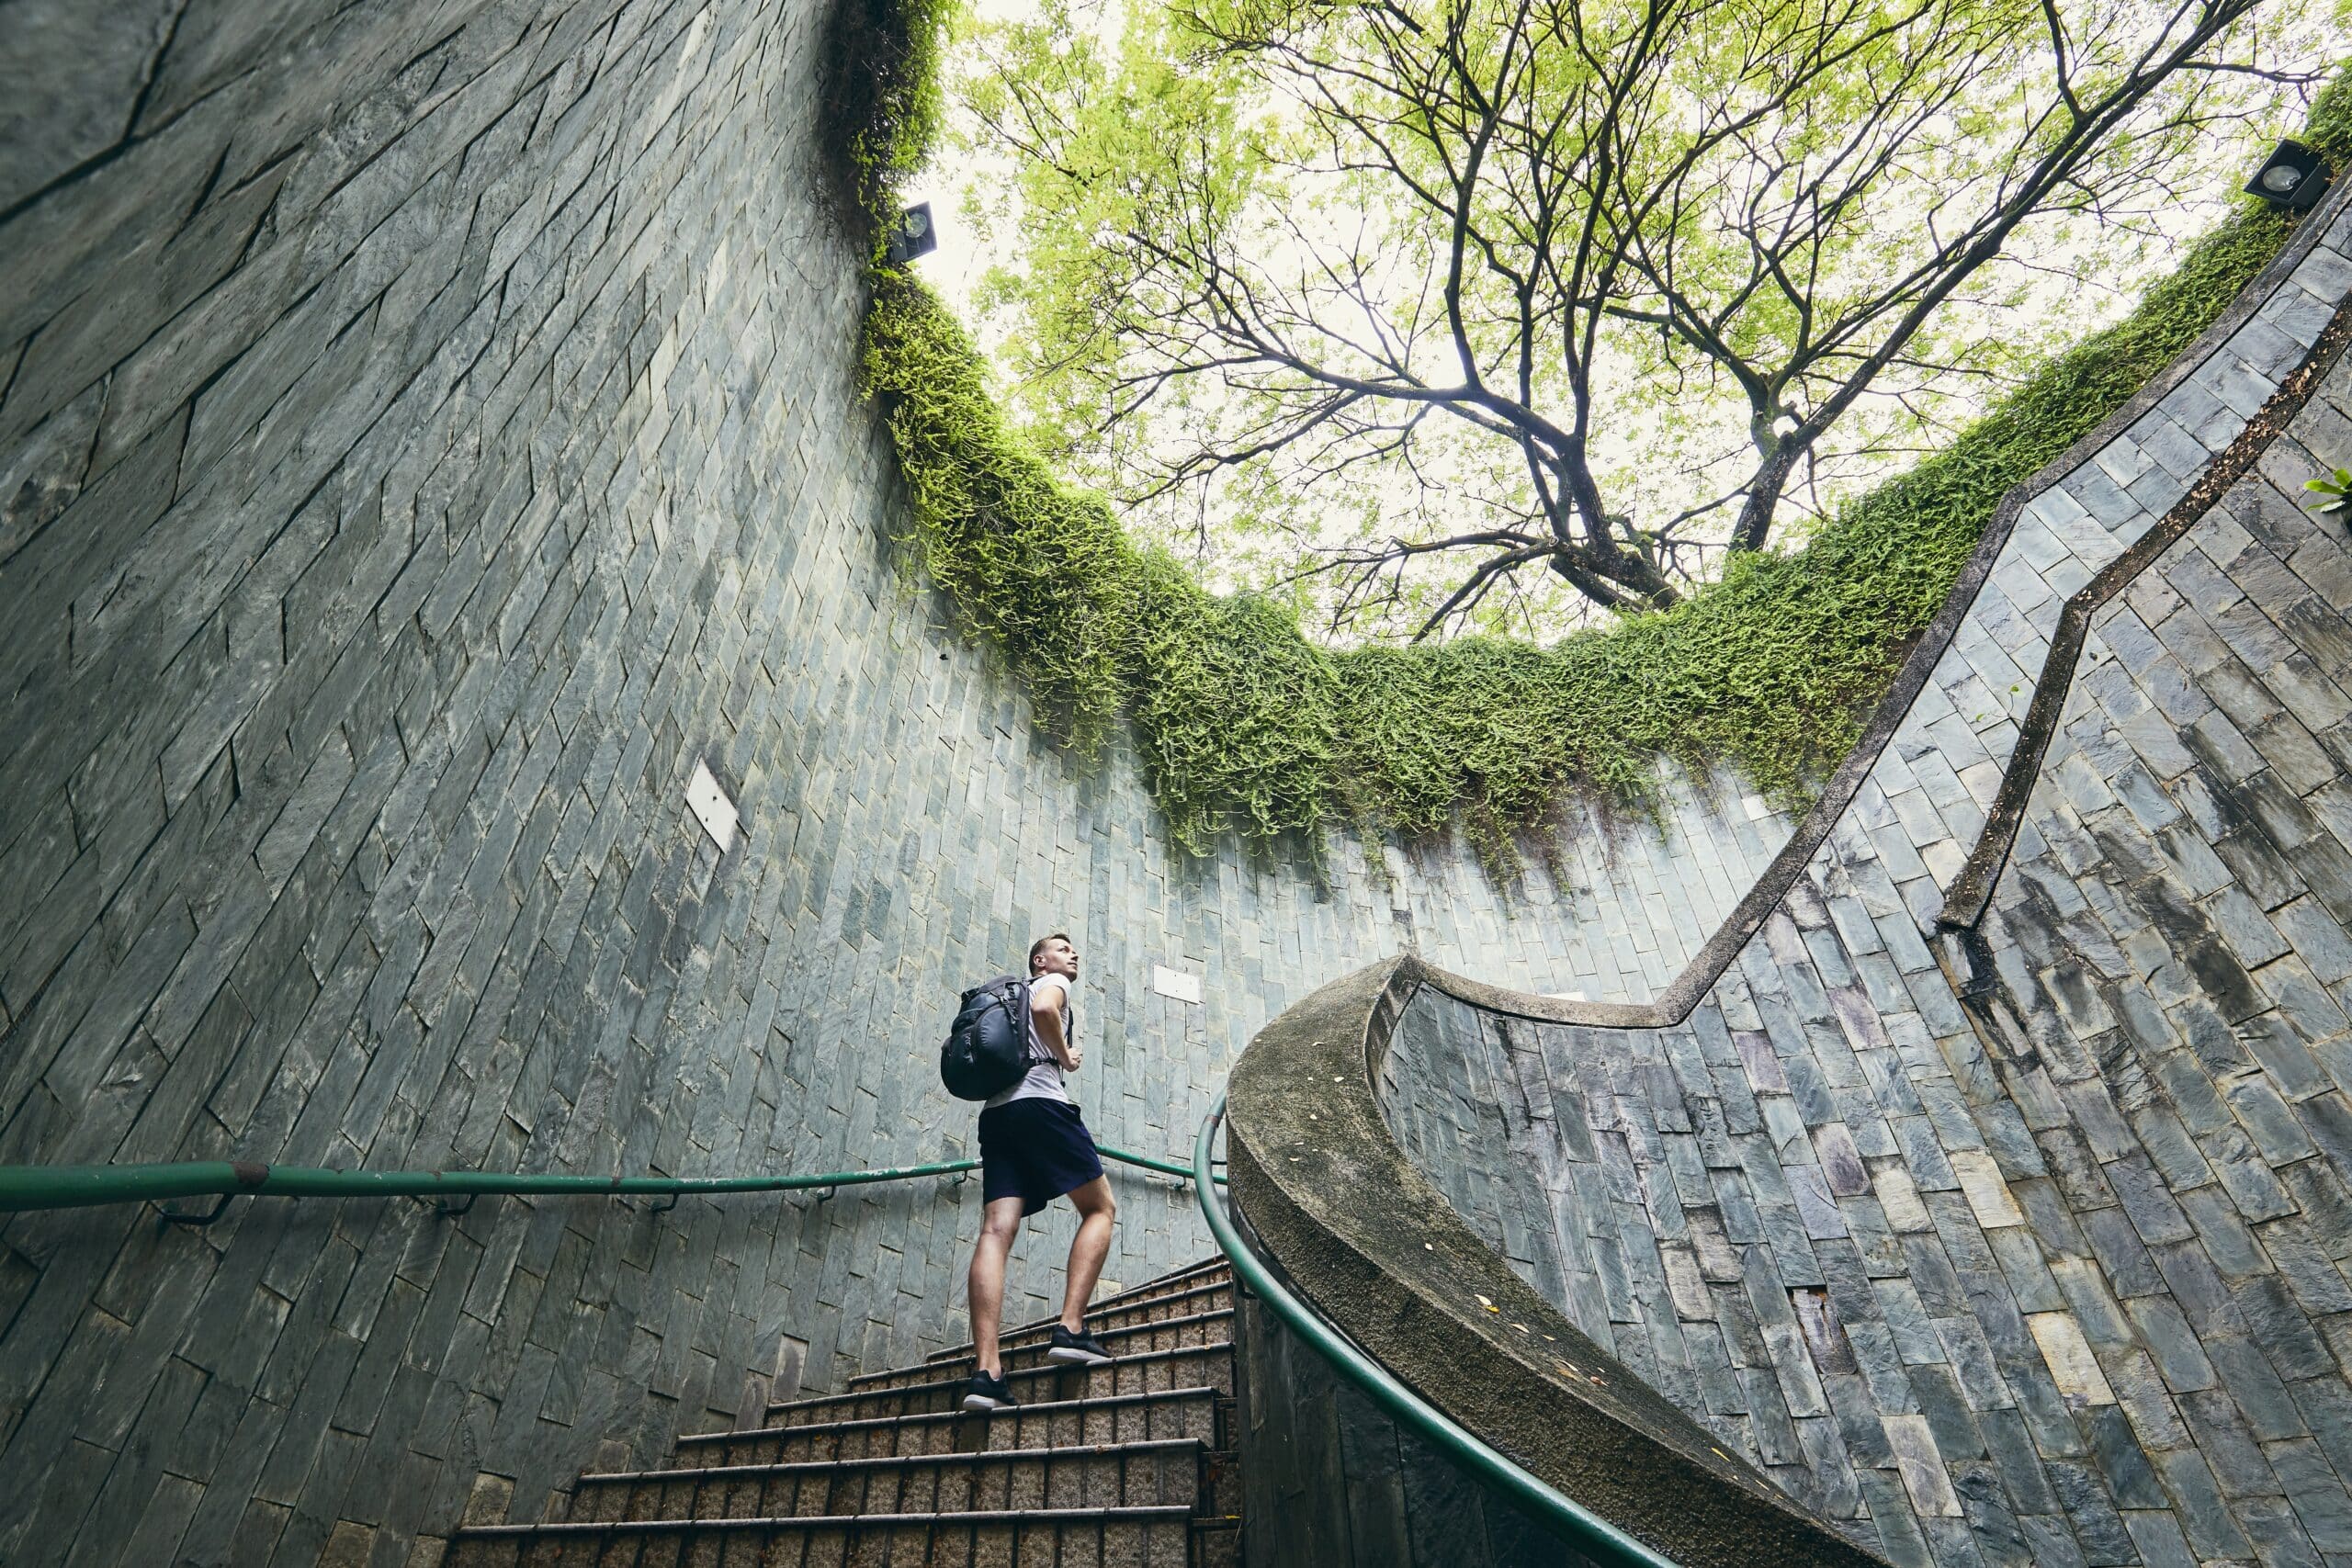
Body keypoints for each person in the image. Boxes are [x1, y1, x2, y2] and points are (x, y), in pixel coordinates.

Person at [962, 932, 1118, 1412]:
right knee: (1100, 1209)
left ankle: (986, 1373)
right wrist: (1067, 1056)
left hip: (998, 1114)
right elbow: (1046, 1012)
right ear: (1039, 960)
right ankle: (1071, 1327)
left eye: (1073, 951)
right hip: (1041, 1104)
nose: (1072, 955)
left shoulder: (1008, 997)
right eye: (1062, 948)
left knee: (995, 1230)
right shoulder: (1049, 984)